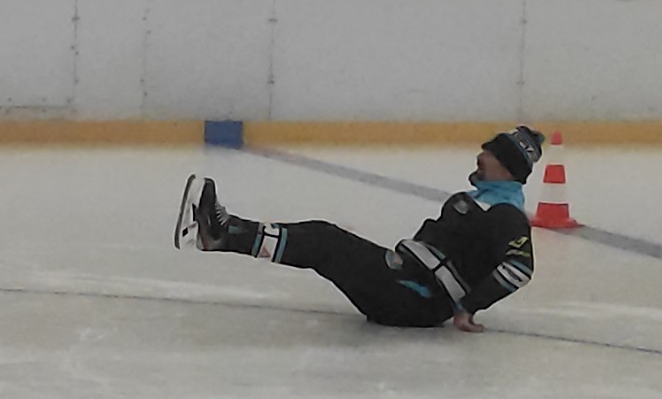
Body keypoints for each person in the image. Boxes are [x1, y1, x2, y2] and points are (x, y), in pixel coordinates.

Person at [171, 130, 541, 330]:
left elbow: (519, 268)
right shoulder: (481, 201)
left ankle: (222, 233)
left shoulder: (504, 212)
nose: (480, 156)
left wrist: (468, 308)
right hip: (408, 285)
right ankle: (224, 232)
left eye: (490, 153)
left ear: (506, 167)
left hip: (417, 300)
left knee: (325, 241)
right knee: (324, 238)